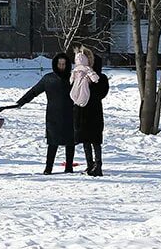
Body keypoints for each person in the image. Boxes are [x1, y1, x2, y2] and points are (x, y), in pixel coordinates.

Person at [16, 53, 75, 174]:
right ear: (55, 64)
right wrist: (21, 102)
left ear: (67, 65)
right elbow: (34, 91)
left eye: (64, 64)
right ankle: (49, 168)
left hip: (71, 114)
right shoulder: (48, 79)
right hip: (53, 116)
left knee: (70, 142)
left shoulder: (73, 78)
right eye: (59, 64)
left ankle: (69, 167)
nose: (62, 66)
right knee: (53, 142)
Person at [72, 47, 109, 176]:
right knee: (86, 140)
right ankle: (89, 164)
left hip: (94, 112)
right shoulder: (79, 76)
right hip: (82, 112)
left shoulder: (101, 78)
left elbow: (102, 92)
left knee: (95, 141)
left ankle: (98, 165)